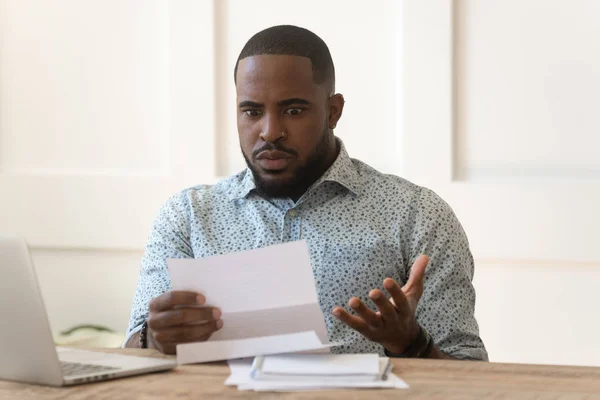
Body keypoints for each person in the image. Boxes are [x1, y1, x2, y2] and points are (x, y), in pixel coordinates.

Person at [124, 25, 487, 361]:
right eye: (251, 111)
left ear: (333, 111)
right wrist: (154, 341)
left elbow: (470, 373)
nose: (270, 132)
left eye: (293, 110)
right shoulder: (187, 217)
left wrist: (412, 343)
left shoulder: (417, 215)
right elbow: (132, 351)